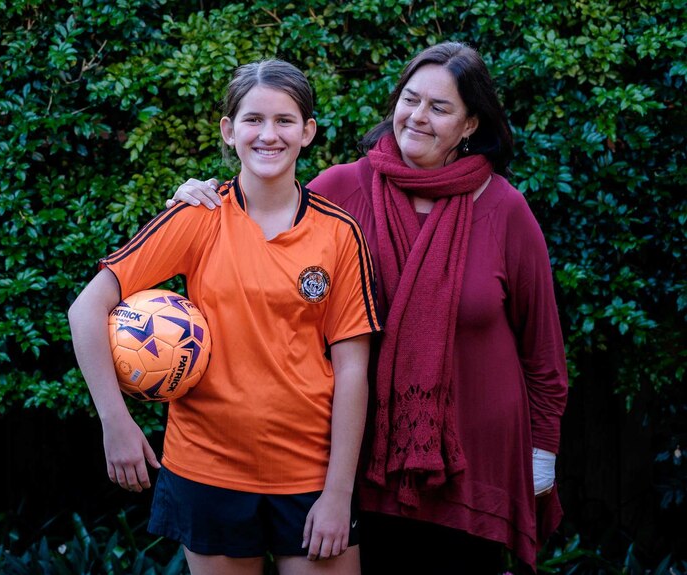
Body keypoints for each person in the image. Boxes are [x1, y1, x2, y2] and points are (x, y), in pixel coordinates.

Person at [167, 41, 569, 575]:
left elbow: (543, 356)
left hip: (477, 467)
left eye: (440, 107)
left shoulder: (504, 209)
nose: (418, 117)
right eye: (410, 100)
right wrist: (200, 197)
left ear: (471, 124)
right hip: (366, 464)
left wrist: (542, 456)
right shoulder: (342, 188)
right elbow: (262, 239)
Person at [68, 59, 382, 575]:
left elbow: (352, 369)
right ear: (228, 131)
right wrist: (115, 422)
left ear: (307, 132)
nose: (268, 135)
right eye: (253, 120)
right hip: (207, 467)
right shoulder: (198, 215)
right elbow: (87, 308)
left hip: (309, 473)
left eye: (284, 121)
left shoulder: (338, 233)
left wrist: (338, 491)